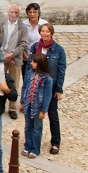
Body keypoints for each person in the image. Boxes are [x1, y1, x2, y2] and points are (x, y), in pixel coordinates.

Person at [29, 23, 66, 155]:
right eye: (42, 31)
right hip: (36, 85)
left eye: (47, 31)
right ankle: (32, 141)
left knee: (52, 114)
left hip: (50, 85)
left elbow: (61, 70)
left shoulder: (58, 50)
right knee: (33, 114)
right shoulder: (35, 47)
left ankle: (55, 142)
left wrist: (59, 89)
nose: (44, 34)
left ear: (51, 33)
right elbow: (29, 66)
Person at [20, 53, 54, 158]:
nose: (32, 63)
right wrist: (22, 102)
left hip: (38, 107)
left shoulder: (47, 79)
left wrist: (43, 110)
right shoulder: (29, 73)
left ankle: (35, 149)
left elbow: (47, 96)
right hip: (28, 104)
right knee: (28, 127)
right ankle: (27, 146)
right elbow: (24, 87)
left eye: (34, 62)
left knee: (36, 128)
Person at [0, 4, 29, 120]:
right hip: (1, 57)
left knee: (14, 84)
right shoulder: (1, 23)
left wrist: (11, 55)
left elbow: (23, 44)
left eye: (16, 12)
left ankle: (12, 108)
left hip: (15, 59)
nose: (13, 14)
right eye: (12, 12)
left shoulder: (23, 27)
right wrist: (3, 55)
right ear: (8, 12)